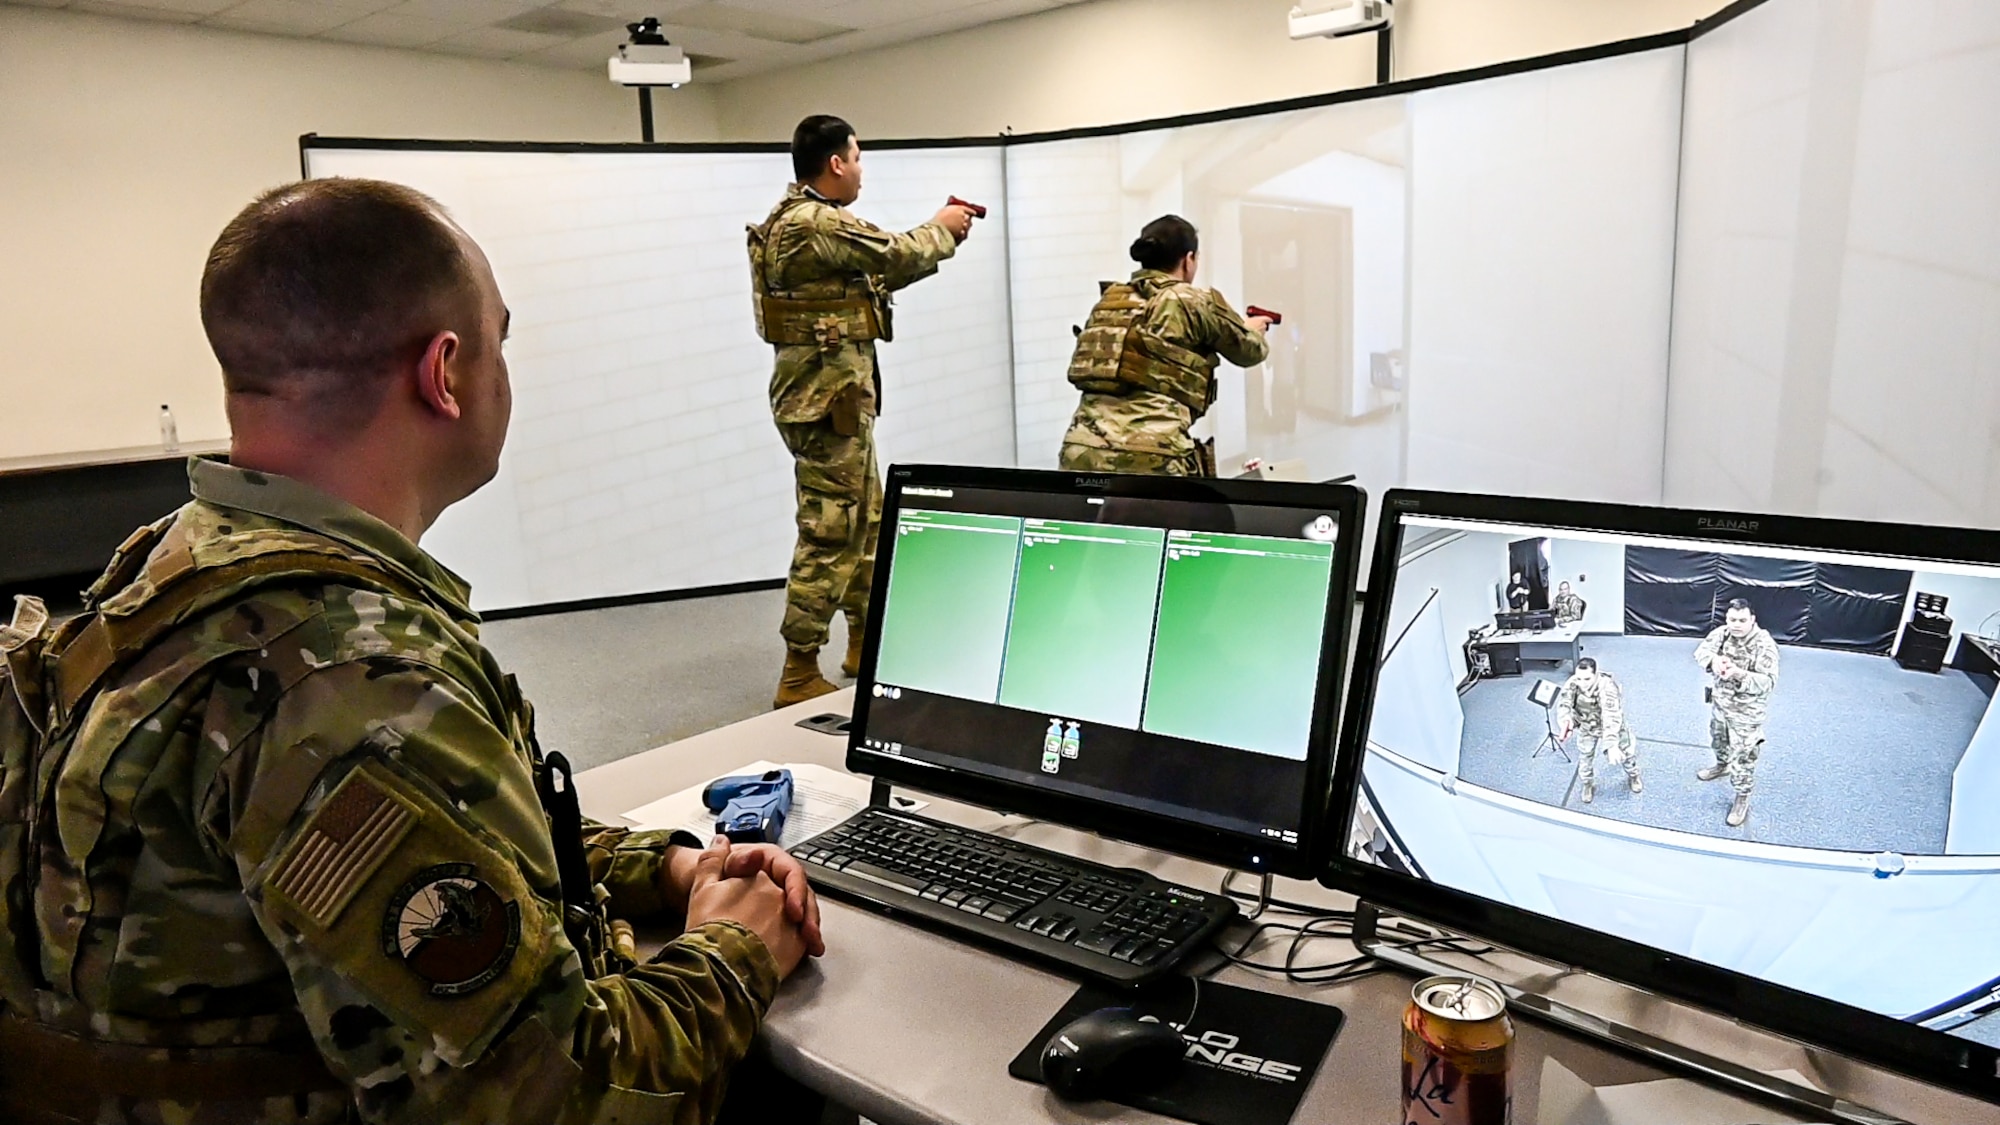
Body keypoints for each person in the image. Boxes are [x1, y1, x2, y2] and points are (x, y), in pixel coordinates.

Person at [0, 179, 824, 1125]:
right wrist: (737, 944)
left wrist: (662, 868)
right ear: (446, 372)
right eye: (499, 341)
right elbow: (569, 1102)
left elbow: (415, 844)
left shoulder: (182, 562)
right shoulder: (348, 685)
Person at [750, 114, 976, 708]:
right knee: (831, 531)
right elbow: (896, 255)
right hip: (826, 404)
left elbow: (873, 276)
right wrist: (944, 227)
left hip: (834, 400)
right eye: (858, 158)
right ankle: (799, 669)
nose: (860, 170)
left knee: (866, 521)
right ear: (835, 163)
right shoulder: (813, 222)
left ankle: (862, 643)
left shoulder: (794, 221)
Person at [1057, 215, 1271, 476]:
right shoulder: (1191, 300)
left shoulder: (1110, 300)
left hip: (1081, 451)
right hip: (1153, 457)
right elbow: (1249, 351)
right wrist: (1254, 330)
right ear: (1188, 259)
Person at [1694, 597, 1781, 827]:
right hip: (1721, 704)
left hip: (1746, 713)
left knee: (1743, 756)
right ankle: (1721, 765)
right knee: (1718, 741)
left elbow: (1767, 683)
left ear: (1752, 620)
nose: (1736, 624)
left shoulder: (1764, 644)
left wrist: (1738, 674)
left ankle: (1742, 796)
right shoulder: (1722, 633)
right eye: (1732, 619)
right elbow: (1701, 651)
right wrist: (1713, 661)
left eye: (1742, 620)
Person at [1555, 657, 1642, 804]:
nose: (1582, 683)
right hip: (1587, 726)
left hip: (1612, 729)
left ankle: (1634, 776)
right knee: (1585, 757)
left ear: (1596, 675)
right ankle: (1587, 784)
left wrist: (1612, 745)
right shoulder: (1574, 682)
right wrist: (1566, 721)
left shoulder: (1607, 687)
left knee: (1626, 754)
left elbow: (1611, 716)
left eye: (1587, 679)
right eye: (1579, 678)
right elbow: (1564, 703)